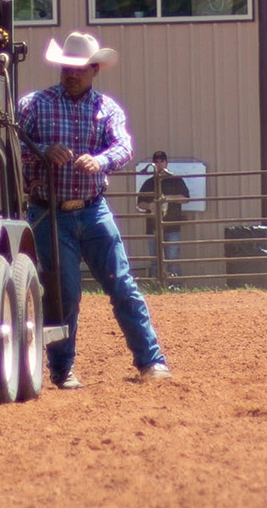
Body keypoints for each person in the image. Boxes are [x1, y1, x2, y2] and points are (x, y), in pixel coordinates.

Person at [17, 30, 172, 386]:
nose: (72, 73)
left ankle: (151, 361)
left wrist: (100, 161)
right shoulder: (34, 105)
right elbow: (9, 144)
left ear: (94, 70)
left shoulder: (107, 109)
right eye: (67, 67)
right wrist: (41, 152)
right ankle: (62, 369)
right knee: (64, 294)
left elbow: (123, 147)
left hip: (92, 208)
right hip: (50, 212)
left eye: (80, 68)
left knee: (122, 285)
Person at [136, 152, 188, 287]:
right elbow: (140, 203)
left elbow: (185, 198)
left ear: (166, 163)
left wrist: (168, 198)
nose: (159, 164)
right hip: (153, 227)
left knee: (172, 259)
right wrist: (149, 205)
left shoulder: (176, 180)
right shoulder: (148, 183)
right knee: (155, 260)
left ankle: (175, 287)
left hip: (172, 226)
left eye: (162, 161)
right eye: (157, 162)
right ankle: (157, 287)